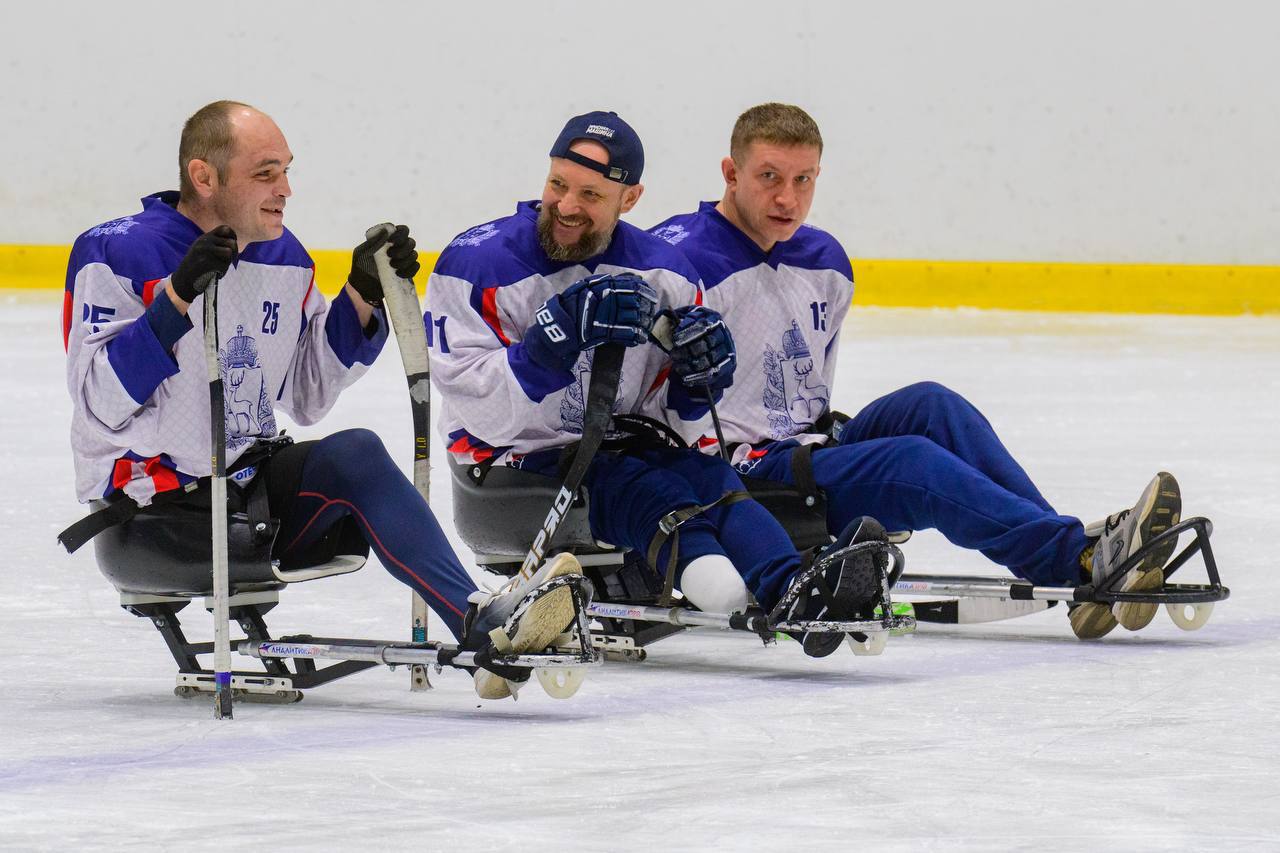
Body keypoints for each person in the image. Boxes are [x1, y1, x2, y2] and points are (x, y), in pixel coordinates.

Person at [62, 100, 585, 700]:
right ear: (204, 176)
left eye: (286, 171)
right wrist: (176, 299)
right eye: (266, 174)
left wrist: (361, 294)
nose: (285, 189)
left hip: (245, 498)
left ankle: (478, 624)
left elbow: (307, 392)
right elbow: (101, 402)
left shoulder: (284, 257)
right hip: (153, 518)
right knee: (334, 459)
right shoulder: (118, 252)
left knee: (355, 452)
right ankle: (485, 630)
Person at [650, 102, 1182, 640]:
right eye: (769, 177)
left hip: (806, 445)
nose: (788, 198)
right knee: (913, 464)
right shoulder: (680, 261)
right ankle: (1077, 559)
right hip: (740, 471)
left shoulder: (825, 260)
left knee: (932, 404)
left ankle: (1073, 557)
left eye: (803, 179)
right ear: (731, 173)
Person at [425, 110, 883, 657]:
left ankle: (795, 591)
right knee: (645, 490)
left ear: (630, 199)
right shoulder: (476, 262)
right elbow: (482, 416)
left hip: (616, 452)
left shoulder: (666, 272)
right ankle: (734, 595)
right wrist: (548, 344)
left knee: (711, 477)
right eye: (558, 184)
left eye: (591, 195)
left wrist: (697, 380)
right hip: (506, 463)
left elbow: (673, 422)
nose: (567, 206)